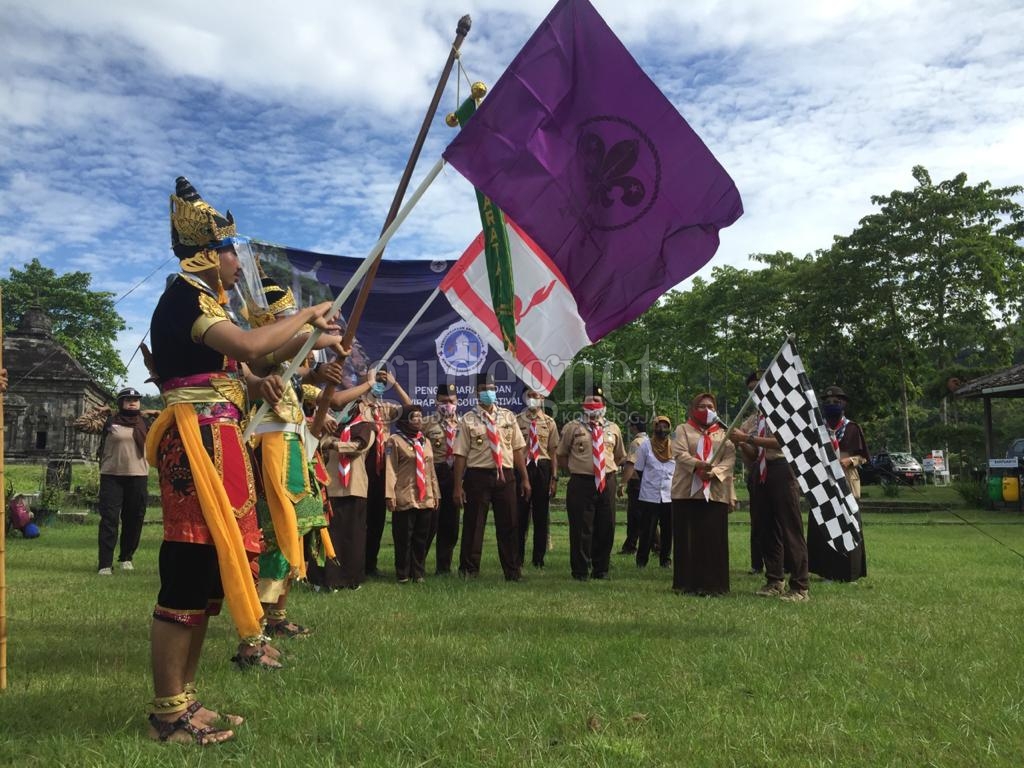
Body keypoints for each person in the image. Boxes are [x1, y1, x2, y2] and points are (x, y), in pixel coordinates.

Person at [145, 177, 342, 745]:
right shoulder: (183, 298)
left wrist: (307, 342)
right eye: (233, 252)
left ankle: (185, 700)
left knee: (208, 575)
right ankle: (167, 713)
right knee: (185, 571)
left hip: (222, 442)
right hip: (195, 444)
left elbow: (258, 370)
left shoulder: (207, 302)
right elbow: (255, 348)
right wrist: (307, 316)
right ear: (209, 253)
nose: (238, 264)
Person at [248, 277, 348, 638]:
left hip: (296, 459)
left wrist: (328, 377)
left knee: (296, 534)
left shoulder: (291, 379)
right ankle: (256, 620)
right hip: (268, 461)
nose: (297, 329)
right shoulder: (258, 362)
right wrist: (326, 338)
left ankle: (277, 615)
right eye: (287, 321)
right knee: (274, 536)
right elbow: (284, 351)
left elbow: (327, 404)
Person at [730, 372, 810, 602]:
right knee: (765, 527)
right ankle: (774, 579)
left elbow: (785, 440)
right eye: (751, 388)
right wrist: (741, 442)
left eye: (759, 386)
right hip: (760, 471)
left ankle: (800, 585)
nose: (754, 392)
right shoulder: (753, 419)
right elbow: (752, 453)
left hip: (782, 468)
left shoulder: (784, 412)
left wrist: (749, 439)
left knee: (790, 526)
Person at [453, 371, 531, 581]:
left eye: (491, 389)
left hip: (505, 476)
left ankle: (512, 571)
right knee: (474, 524)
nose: (488, 393)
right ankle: (469, 570)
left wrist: (524, 478)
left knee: (510, 524)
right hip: (478, 476)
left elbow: (517, 449)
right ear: (476, 393)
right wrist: (458, 485)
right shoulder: (468, 419)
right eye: (483, 390)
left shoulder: (508, 417)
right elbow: (460, 454)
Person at [336, 370, 411, 578]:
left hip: (380, 470)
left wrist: (394, 385)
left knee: (377, 520)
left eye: (380, 382)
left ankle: (371, 564)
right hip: (360, 466)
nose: (378, 384)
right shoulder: (354, 407)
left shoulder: (384, 408)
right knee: (360, 519)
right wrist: (367, 384)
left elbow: (408, 407)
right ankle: (355, 563)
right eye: (374, 381)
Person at [74, 387, 155, 575]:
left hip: (138, 476)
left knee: (134, 519)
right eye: (127, 399)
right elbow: (80, 424)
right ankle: (105, 563)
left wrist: (154, 412)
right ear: (120, 403)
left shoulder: (146, 423)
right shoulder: (109, 422)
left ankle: (126, 557)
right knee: (109, 519)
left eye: (136, 399)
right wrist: (98, 411)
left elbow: (170, 423)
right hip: (112, 476)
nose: (132, 402)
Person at [557, 385, 626, 581]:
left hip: (607, 481)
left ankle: (601, 569)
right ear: (582, 405)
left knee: (607, 525)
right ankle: (580, 570)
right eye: (589, 400)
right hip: (581, 482)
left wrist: (605, 470)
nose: (593, 404)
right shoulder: (572, 428)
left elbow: (620, 455)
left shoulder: (613, 428)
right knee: (581, 527)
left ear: (603, 405)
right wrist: (577, 470)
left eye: (597, 401)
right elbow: (561, 455)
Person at [671, 393, 736, 596]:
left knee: (713, 539)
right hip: (687, 492)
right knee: (687, 539)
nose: (706, 410)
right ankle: (686, 584)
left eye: (710, 406)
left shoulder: (724, 434)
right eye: (701, 406)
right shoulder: (682, 429)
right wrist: (698, 465)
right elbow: (679, 453)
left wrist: (714, 471)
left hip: (715, 493)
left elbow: (730, 458)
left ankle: (714, 585)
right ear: (692, 408)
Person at [808, 385, 869, 581]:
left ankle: (849, 571)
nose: (831, 405)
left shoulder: (852, 428)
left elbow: (863, 457)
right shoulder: (818, 429)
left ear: (844, 404)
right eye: (827, 402)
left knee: (847, 523)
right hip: (823, 483)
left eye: (836, 402)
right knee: (823, 525)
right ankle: (825, 570)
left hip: (847, 482)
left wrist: (849, 461)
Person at [321, 388, 377, 591]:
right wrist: (330, 441)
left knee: (353, 535)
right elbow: (318, 442)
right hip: (331, 485)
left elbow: (357, 447)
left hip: (355, 486)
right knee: (332, 534)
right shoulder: (332, 426)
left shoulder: (366, 426)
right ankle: (331, 578)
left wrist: (333, 444)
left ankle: (352, 578)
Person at [386, 405, 441, 583]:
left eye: (420, 417)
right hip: (404, 494)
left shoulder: (425, 441)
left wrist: (436, 494)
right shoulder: (394, 440)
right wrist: (389, 495)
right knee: (403, 537)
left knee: (421, 536)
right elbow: (390, 468)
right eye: (413, 417)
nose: (418, 420)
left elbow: (430, 469)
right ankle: (402, 572)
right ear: (404, 421)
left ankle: (418, 572)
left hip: (425, 496)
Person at [515, 386, 559, 568]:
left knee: (541, 516)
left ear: (543, 398)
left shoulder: (549, 423)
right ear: (525, 398)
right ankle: (517, 557)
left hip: (542, 467)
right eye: (530, 395)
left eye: (537, 395)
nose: (534, 398)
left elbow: (553, 451)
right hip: (523, 467)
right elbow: (515, 449)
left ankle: (538, 559)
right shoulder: (517, 421)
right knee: (520, 515)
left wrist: (554, 478)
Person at [621, 415, 673, 569]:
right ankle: (641, 561)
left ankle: (665, 560)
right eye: (659, 426)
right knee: (647, 530)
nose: (662, 430)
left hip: (669, 495)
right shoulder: (646, 446)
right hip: (649, 494)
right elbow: (638, 469)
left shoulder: (674, 446)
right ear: (653, 427)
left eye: (665, 426)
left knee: (667, 530)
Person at [422, 382, 461, 574]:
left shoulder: (465, 425)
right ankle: (418, 564)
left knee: (451, 524)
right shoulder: (426, 423)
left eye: (451, 401)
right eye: (443, 401)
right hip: (434, 474)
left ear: (457, 402)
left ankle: (443, 567)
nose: (448, 404)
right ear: (436, 402)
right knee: (429, 522)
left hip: (455, 475)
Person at [617, 418, 647, 555]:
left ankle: (655, 545)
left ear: (635, 427)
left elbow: (630, 464)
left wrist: (622, 483)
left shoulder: (636, 442)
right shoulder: (649, 441)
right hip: (647, 482)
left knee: (636, 516)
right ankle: (630, 545)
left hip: (636, 482)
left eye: (630, 426)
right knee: (642, 515)